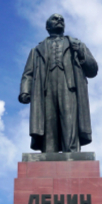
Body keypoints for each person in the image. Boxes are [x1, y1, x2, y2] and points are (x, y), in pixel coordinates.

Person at [19, 13, 98, 153]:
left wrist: (80, 52)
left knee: (69, 120)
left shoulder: (77, 44)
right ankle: (49, 153)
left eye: (62, 19)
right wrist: (25, 91)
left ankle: (72, 153)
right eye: (55, 19)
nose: (59, 20)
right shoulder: (36, 50)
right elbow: (28, 73)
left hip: (69, 87)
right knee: (48, 123)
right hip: (45, 89)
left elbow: (92, 70)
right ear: (47, 26)